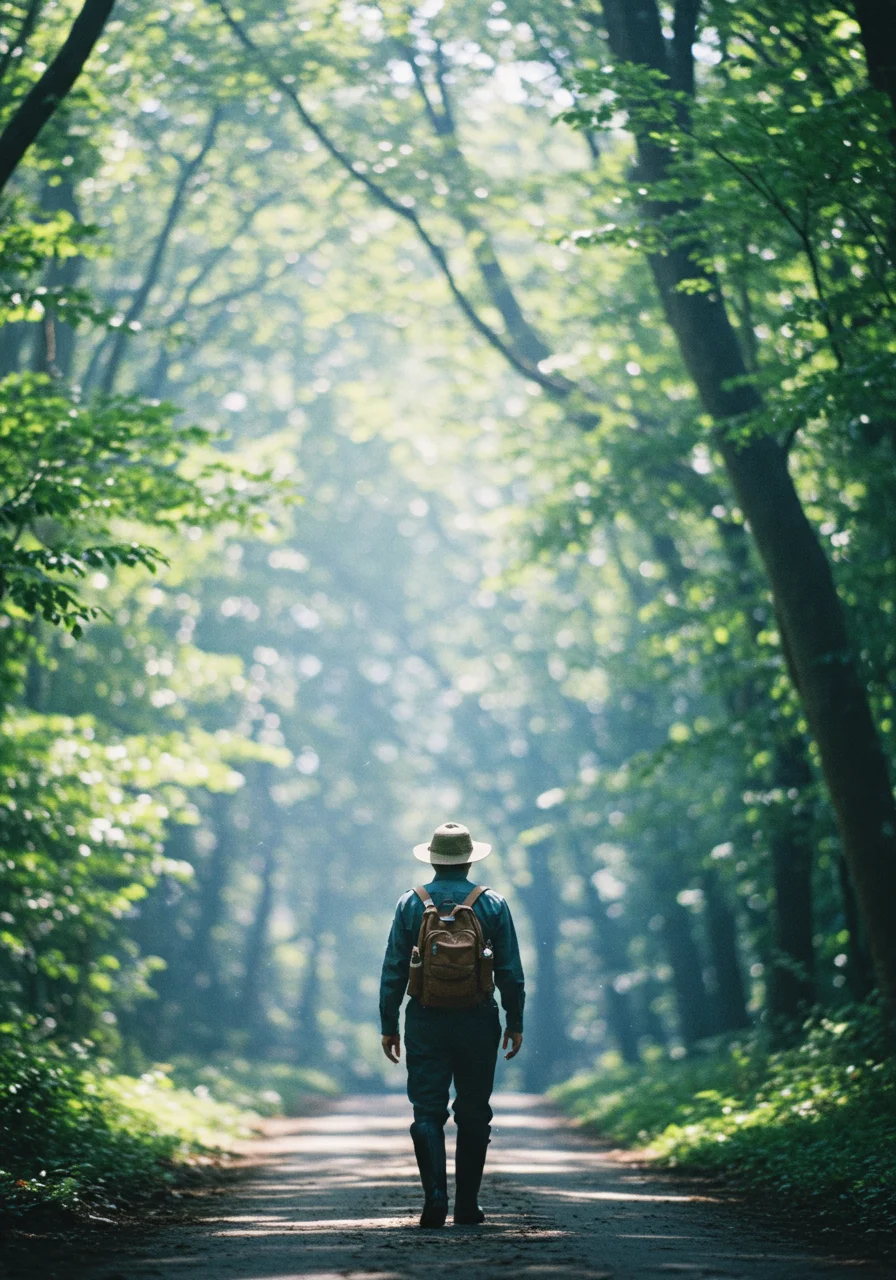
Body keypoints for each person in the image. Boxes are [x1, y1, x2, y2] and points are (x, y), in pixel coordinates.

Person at [379, 820, 525, 1229]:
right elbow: (510, 971)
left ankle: (435, 1197)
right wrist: (515, 1021)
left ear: (433, 858)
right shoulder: (492, 903)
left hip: (425, 1018)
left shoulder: (411, 903)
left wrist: (388, 1023)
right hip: (478, 1018)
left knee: (427, 1109)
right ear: (468, 860)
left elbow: (394, 969)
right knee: (474, 1111)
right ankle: (467, 1206)